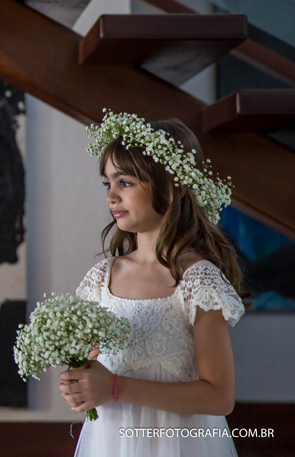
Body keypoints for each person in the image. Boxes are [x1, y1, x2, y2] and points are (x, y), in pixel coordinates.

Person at [60, 111, 247, 457]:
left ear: (174, 185)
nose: (111, 196)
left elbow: (220, 396)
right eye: (108, 183)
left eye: (125, 183)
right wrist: (82, 383)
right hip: (111, 443)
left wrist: (116, 387)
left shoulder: (197, 281)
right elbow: (95, 364)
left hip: (178, 443)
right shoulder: (100, 279)